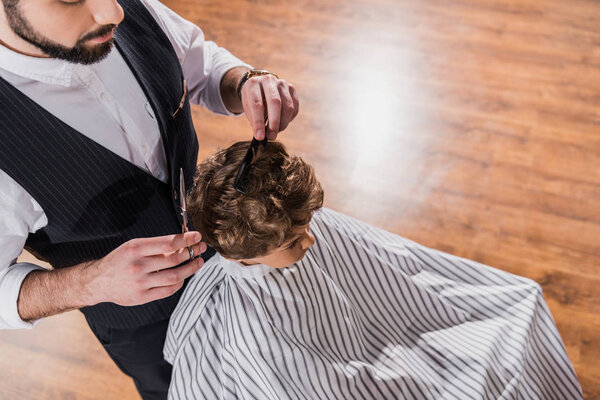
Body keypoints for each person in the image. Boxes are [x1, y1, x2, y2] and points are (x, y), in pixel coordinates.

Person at [0, 0, 299, 398]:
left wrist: (245, 82)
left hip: (224, 255)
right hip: (143, 326)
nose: (113, 13)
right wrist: (90, 283)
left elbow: (201, 64)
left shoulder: (125, 8)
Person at [164, 140, 584, 400]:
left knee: (518, 304)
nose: (310, 241)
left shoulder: (285, 224)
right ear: (240, 259)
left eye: (307, 227)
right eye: (293, 244)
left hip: (381, 340)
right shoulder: (252, 336)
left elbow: (403, 269)